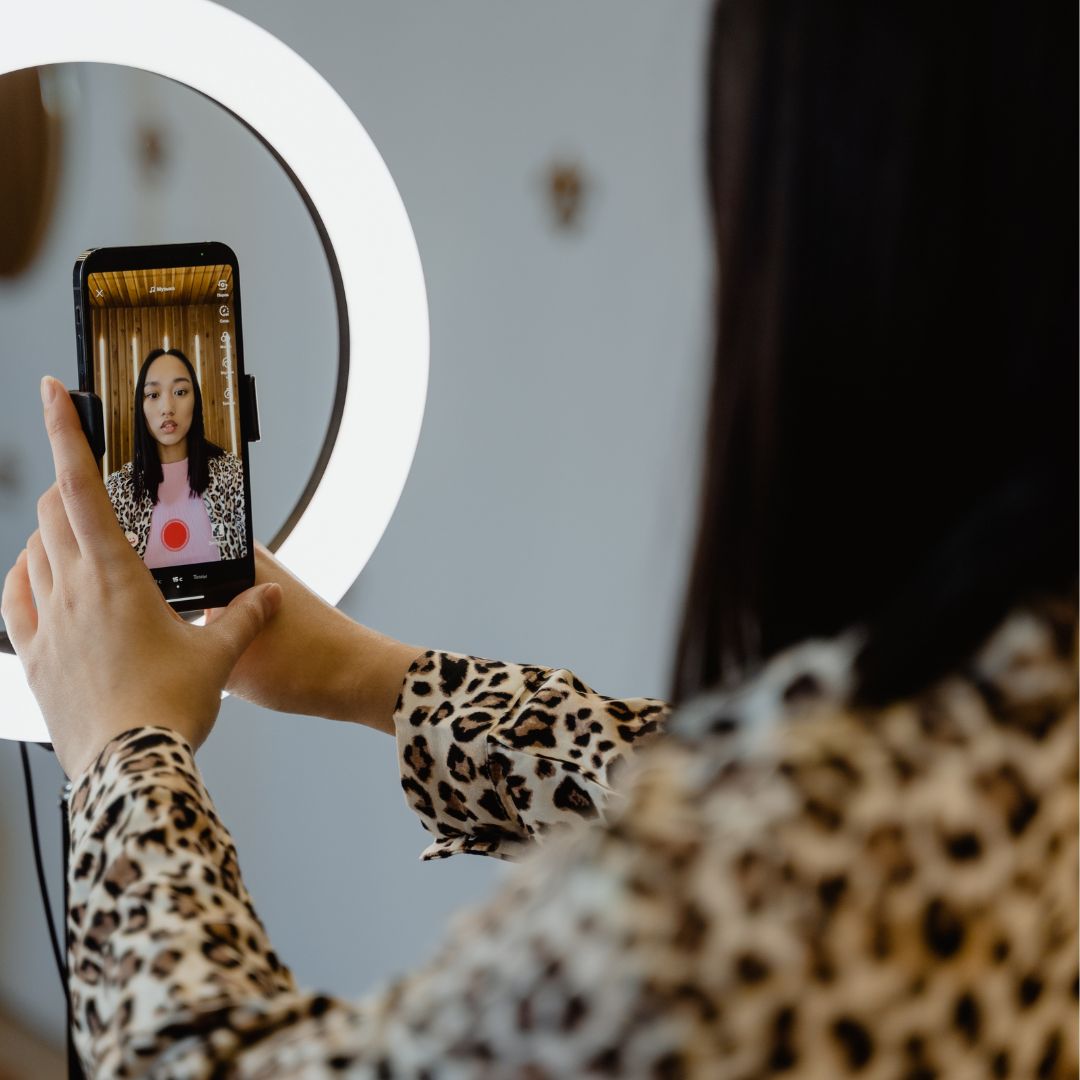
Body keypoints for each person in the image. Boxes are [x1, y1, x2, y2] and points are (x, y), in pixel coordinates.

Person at [3, 1, 1076, 1076]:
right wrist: (367, 674)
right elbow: (671, 769)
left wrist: (120, 751)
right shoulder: (1018, 709)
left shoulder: (751, 889)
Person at [105, 347, 247, 568]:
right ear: (140, 407)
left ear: (196, 400)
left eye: (180, 392)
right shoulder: (118, 489)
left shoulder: (233, 475)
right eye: (153, 395)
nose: (167, 408)